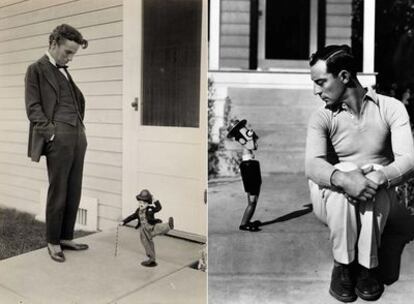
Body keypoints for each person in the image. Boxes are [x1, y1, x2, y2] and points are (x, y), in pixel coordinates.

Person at [305, 45, 414, 302]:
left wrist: (377, 178)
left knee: (376, 172)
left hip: (380, 197)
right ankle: (343, 265)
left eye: (321, 82)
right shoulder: (321, 118)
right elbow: (312, 165)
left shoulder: (390, 108)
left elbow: (409, 160)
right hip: (332, 201)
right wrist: (345, 179)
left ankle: (368, 267)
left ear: (344, 77)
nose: (315, 91)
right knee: (344, 170)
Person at [24, 24, 89, 262]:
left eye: (73, 53)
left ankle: (65, 237)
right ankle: (53, 241)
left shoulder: (64, 70)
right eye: (67, 52)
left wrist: (80, 128)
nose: (70, 58)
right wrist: (50, 133)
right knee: (59, 189)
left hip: (77, 134)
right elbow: (33, 108)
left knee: (74, 188)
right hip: (58, 135)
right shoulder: (36, 69)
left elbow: (75, 100)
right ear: (54, 44)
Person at [120, 189, 174, 267]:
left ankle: (169, 225)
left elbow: (159, 208)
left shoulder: (150, 209)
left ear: (148, 203)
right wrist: (124, 221)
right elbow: (132, 216)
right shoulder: (138, 211)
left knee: (159, 227)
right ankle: (151, 258)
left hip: (151, 226)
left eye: (144, 203)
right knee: (147, 243)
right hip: (143, 230)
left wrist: (155, 200)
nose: (141, 204)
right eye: (140, 202)